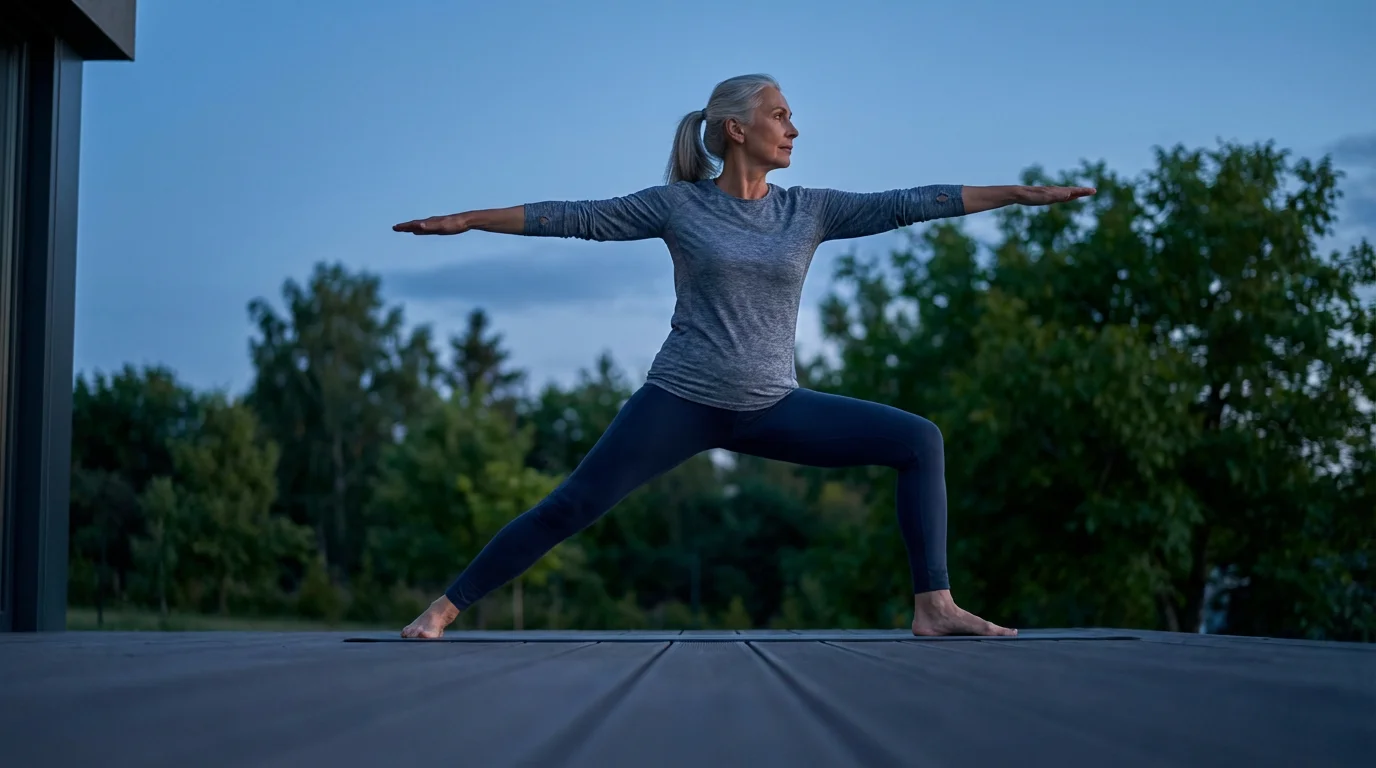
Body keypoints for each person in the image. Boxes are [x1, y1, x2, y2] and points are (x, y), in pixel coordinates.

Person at [392, 73, 1095, 639]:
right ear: (737, 128)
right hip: (680, 401)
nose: (793, 128)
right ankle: (443, 611)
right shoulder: (678, 206)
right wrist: (469, 218)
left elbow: (909, 203)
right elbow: (576, 217)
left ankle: (934, 606)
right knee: (570, 505)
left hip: (771, 407)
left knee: (918, 440)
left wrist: (1017, 195)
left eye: (791, 117)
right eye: (780, 114)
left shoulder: (809, 210)